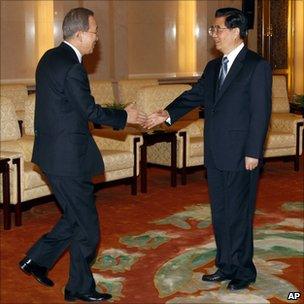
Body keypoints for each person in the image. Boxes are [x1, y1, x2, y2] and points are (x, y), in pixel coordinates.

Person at [19, 7, 146, 302]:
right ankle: (79, 287)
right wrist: (124, 116)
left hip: (53, 155)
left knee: (74, 218)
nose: (97, 38)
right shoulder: (73, 66)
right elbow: (87, 110)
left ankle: (37, 260)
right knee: (88, 227)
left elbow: (69, 107)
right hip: (67, 159)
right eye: (94, 31)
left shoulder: (50, 58)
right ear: (79, 34)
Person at [144, 7, 272, 291]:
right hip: (215, 153)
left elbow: (261, 113)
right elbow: (195, 95)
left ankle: (243, 270)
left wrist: (254, 152)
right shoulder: (214, 67)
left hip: (242, 154)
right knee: (221, 212)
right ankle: (225, 264)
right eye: (213, 29)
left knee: (239, 214)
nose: (213, 34)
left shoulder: (256, 65)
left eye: (218, 29)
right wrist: (165, 114)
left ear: (236, 32)